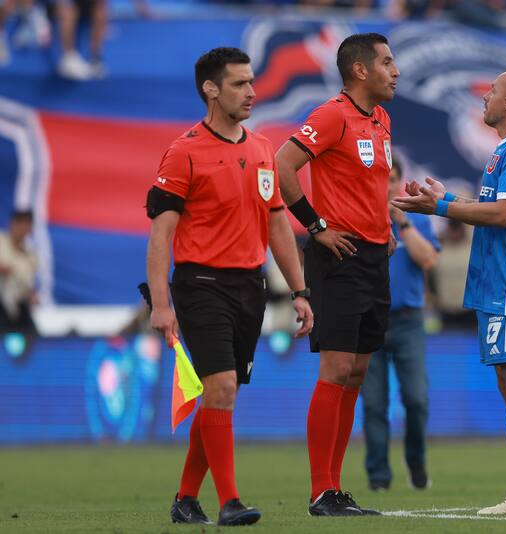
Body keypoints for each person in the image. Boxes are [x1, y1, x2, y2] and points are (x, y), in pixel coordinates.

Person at [393, 70, 506, 516]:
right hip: (497, 279)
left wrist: (440, 207)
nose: (485, 98)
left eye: (492, 92)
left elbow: (501, 215)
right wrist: (450, 196)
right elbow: (494, 207)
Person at [146, 47, 312, 527]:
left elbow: (278, 224)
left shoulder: (262, 149)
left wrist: (300, 291)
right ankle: (230, 502)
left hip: (249, 287)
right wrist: (161, 304)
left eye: (252, 82)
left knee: (223, 393)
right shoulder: (183, 152)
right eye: (240, 84)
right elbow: (162, 234)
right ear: (210, 89)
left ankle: (184, 499)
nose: (252, 92)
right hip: (200, 284)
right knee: (219, 387)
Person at [275, 32, 399, 516]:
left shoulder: (382, 119)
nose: (396, 70)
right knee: (337, 368)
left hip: (373, 256)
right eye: (388, 62)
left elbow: (370, 182)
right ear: (361, 70)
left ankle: (335, 487)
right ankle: (320, 490)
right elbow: (283, 166)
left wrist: (385, 223)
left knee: (358, 371)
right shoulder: (331, 115)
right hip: (339, 256)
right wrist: (316, 226)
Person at [362, 158, 439, 492]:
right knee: (374, 404)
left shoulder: (416, 219)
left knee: (417, 398)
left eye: (393, 179)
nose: (389, 185)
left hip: (408, 320)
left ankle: (416, 464)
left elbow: (428, 260)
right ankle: (379, 476)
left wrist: (403, 223)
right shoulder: (362, 216)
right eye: (383, 178)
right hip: (369, 319)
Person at [0, 210, 37, 334]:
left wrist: (31, 295)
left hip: (17, 305)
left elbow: (26, 285)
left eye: (28, 226)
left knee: (33, 337)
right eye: (21, 225)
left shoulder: (31, 257)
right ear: (13, 224)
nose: (24, 230)